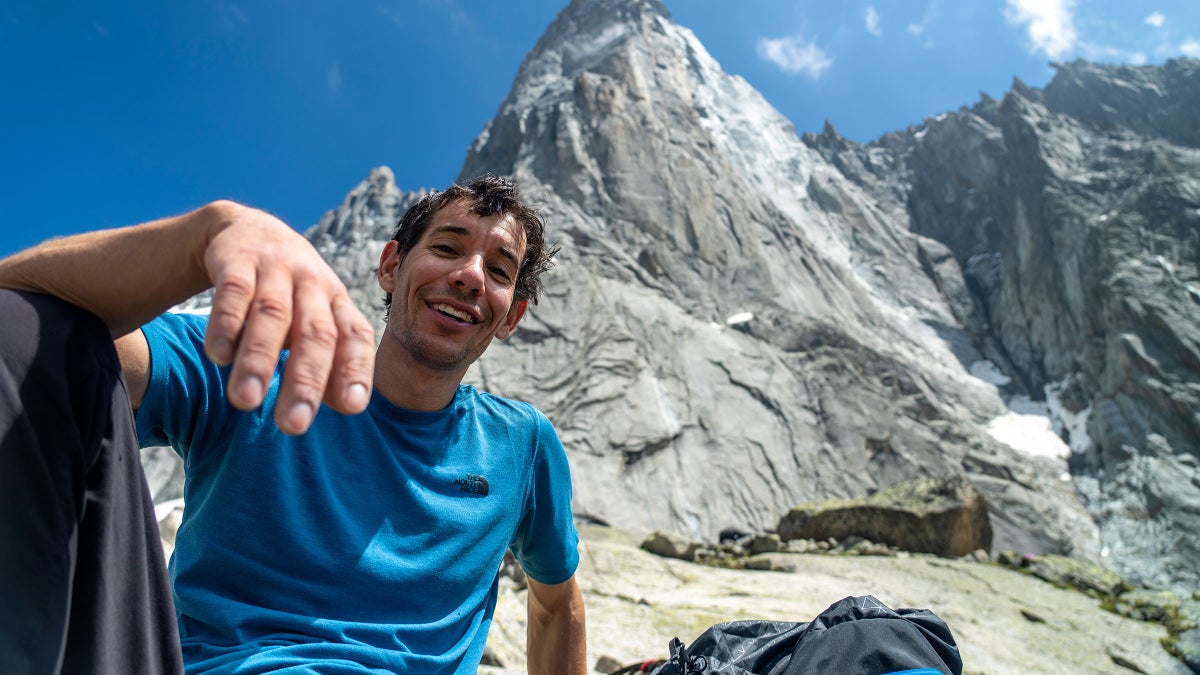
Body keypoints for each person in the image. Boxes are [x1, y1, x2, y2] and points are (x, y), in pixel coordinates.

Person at [0, 175, 586, 674]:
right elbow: (22, 324)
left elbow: (557, 604)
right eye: (448, 247)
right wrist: (206, 234)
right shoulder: (253, 359)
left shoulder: (520, 445)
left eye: (499, 269)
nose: (469, 276)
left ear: (511, 317)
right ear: (390, 265)